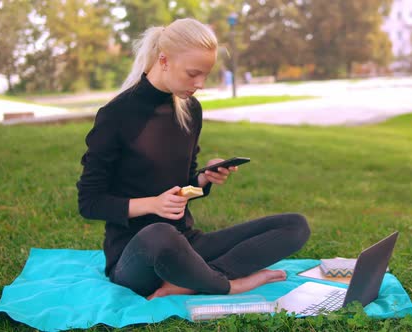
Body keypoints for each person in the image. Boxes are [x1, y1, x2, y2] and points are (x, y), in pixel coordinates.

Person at [76, 18, 310, 300]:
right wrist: (153, 204)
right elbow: (89, 203)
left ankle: (199, 278)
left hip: (187, 244)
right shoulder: (116, 115)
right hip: (138, 256)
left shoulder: (190, 111)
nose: (199, 84)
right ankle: (228, 284)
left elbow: (184, 188)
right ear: (163, 60)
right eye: (192, 74)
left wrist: (204, 178)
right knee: (160, 233)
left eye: (205, 75)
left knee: (295, 226)